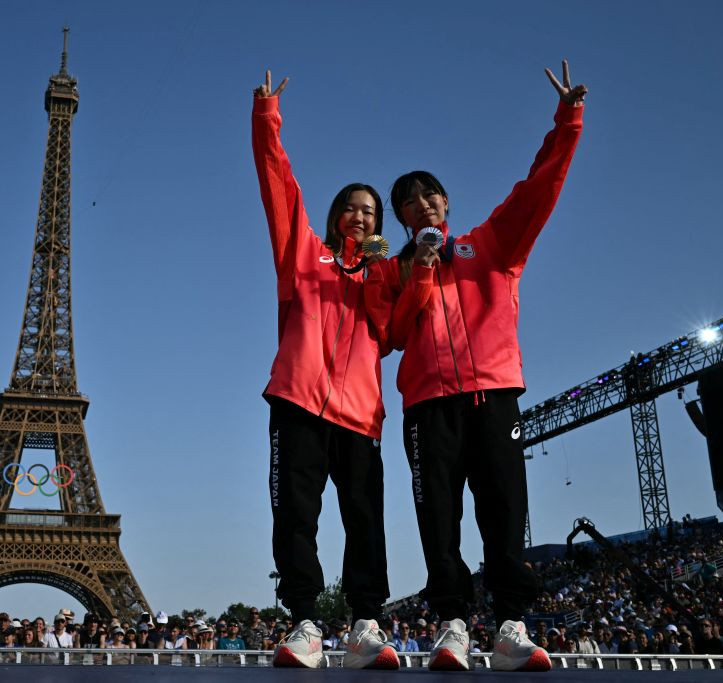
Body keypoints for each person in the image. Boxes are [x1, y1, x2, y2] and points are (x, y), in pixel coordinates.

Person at [374, 60, 586, 673]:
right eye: (407, 203)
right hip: (428, 405)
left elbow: (538, 189)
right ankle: (453, 625)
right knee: (437, 517)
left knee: (504, 508)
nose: (419, 205)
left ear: (445, 202)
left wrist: (566, 121)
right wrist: (419, 271)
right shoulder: (393, 271)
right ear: (402, 220)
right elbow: (389, 335)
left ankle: (512, 626)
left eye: (427, 195)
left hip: (495, 397)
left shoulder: (492, 244)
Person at [251, 68, 399, 672]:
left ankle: (366, 621)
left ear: (377, 223)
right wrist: (267, 115)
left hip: (360, 414)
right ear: (337, 215)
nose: (359, 217)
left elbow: (392, 336)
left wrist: (395, 275)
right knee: (296, 514)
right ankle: (305, 620)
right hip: (299, 402)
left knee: (364, 517)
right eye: (351, 208)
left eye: (369, 211)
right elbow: (278, 185)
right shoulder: (303, 253)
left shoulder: (384, 274)